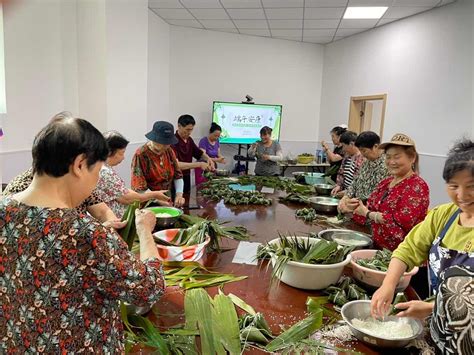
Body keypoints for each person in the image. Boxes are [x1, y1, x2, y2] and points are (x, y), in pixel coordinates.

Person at [0, 115, 165, 353]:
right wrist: (145, 231)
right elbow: (149, 288)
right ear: (79, 165)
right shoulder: (87, 234)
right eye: (97, 171)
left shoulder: (4, 210)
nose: (95, 182)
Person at [370, 139, 474, 354]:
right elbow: (407, 249)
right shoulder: (444, 215)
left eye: (472, 187)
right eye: (453, 186)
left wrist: (431, 308)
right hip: (438, 331)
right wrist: (388, 284)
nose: (462, 196)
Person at [3, 112, 124, 230]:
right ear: (79, 164)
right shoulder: (19, 187)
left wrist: (110, 227)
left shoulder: (80, 183)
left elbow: (102, 210)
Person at [353, 133, 430, 251]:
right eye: (388, 157)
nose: (391, 162)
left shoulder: (417, 186)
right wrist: (354, 207)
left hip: (402, 255)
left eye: (397, 157)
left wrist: (369, 214)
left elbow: (402, 224)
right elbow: (369, 207)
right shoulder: (385, 183)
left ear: (412, 158)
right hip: (378, 249)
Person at [96, 131, 172, 218]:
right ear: (109, 152)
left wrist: (154, 197)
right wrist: (154, 195)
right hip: (114, 220)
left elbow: (121, 191)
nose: (124, 157)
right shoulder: (105, 172)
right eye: (121, 153)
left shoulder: (104, 167)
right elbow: (127, 198)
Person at [131, 121, 185, 207]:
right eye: (163, 143)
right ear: (154, 139)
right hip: (148, 202)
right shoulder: (141, 154)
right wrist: (156, 199)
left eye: (168, 143)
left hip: (167, 200)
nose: (166, 146)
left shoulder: (169, 151)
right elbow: (138, 186)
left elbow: (178, 175)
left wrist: (179, 195)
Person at [338, 131, 389, 214]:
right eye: (360, 151)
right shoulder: (366, 162)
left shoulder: (386, 165)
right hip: (357, 209)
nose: (362, 154)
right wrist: (346, 196)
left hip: (369, 212)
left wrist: (356, 203)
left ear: (375, 146)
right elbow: (356, 181)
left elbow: (378, 194)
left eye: (364, 151)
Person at [172, 114, 215, 193]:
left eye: (191, 130)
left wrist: (209, 159)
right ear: (179, 126)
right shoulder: (173, 142)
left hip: (187, 177)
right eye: (187, 129)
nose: (189, 132)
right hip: (175, 179)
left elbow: (199, 153)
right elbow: (176, 165)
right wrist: (199, 164)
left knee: (186, 200)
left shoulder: (189, 140)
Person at [331, 131, 364, 197]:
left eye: (343, 146)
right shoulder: (347, 157)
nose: (343, 149)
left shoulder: (362, 159)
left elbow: (360, 183)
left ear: (351, 144)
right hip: (345, 194)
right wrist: (339, 186)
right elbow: (341, 173)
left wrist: (348, 192)